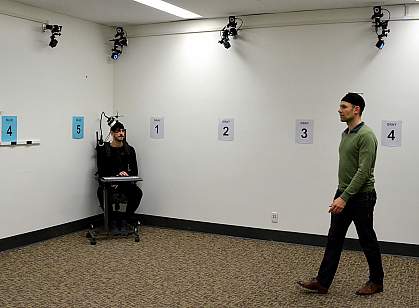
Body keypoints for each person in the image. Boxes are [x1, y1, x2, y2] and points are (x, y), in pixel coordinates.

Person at [297, 93, 384, 295]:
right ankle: (322, 282)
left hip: (362, 197)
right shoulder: (346, 133)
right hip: (344, 192)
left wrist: (344, 197)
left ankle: (376, 281)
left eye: (344, 106)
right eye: (340, 106)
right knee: (334, 238)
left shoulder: (367, 136)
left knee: (367, 240)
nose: (339, 110)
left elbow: (364, 172)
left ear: (356, 109)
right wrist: (341, 194)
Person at [96, 121, 143, 235]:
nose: (121, 133)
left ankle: (125, 219)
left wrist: (126, 174)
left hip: (125, 184)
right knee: (102, 193)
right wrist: (116, 175)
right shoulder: (104, 150)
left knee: (137, 193)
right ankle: (111, 221)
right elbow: (101, 171)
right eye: (118, 131)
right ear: (112, 133)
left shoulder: (130, 150)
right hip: (109, 185)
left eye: (123, 131)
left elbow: (135, 171)